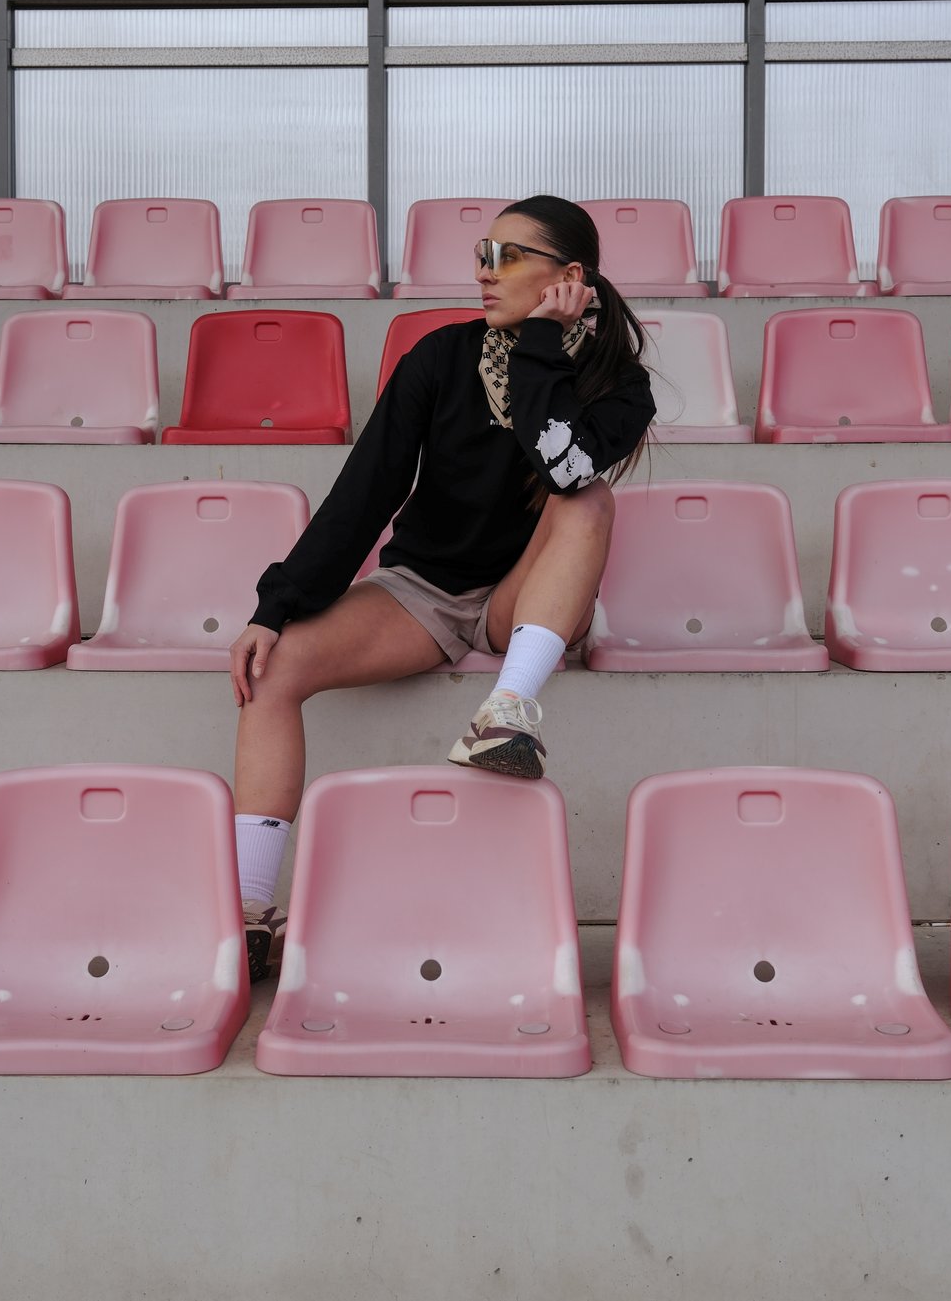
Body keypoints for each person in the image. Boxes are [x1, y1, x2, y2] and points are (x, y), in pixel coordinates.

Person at [228, 194, 656, 980]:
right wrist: (275, 606)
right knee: (273, 668)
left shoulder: (618, 383)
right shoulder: (440, 356)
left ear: (569, 276)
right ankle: (248, 912)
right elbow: (367, 489)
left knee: (588, 500)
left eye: (508, 257)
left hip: (528, 596)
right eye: (482, 254)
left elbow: (563, 467)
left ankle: (508, 710)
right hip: (421, 591)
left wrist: (539, 344)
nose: (485, 272)